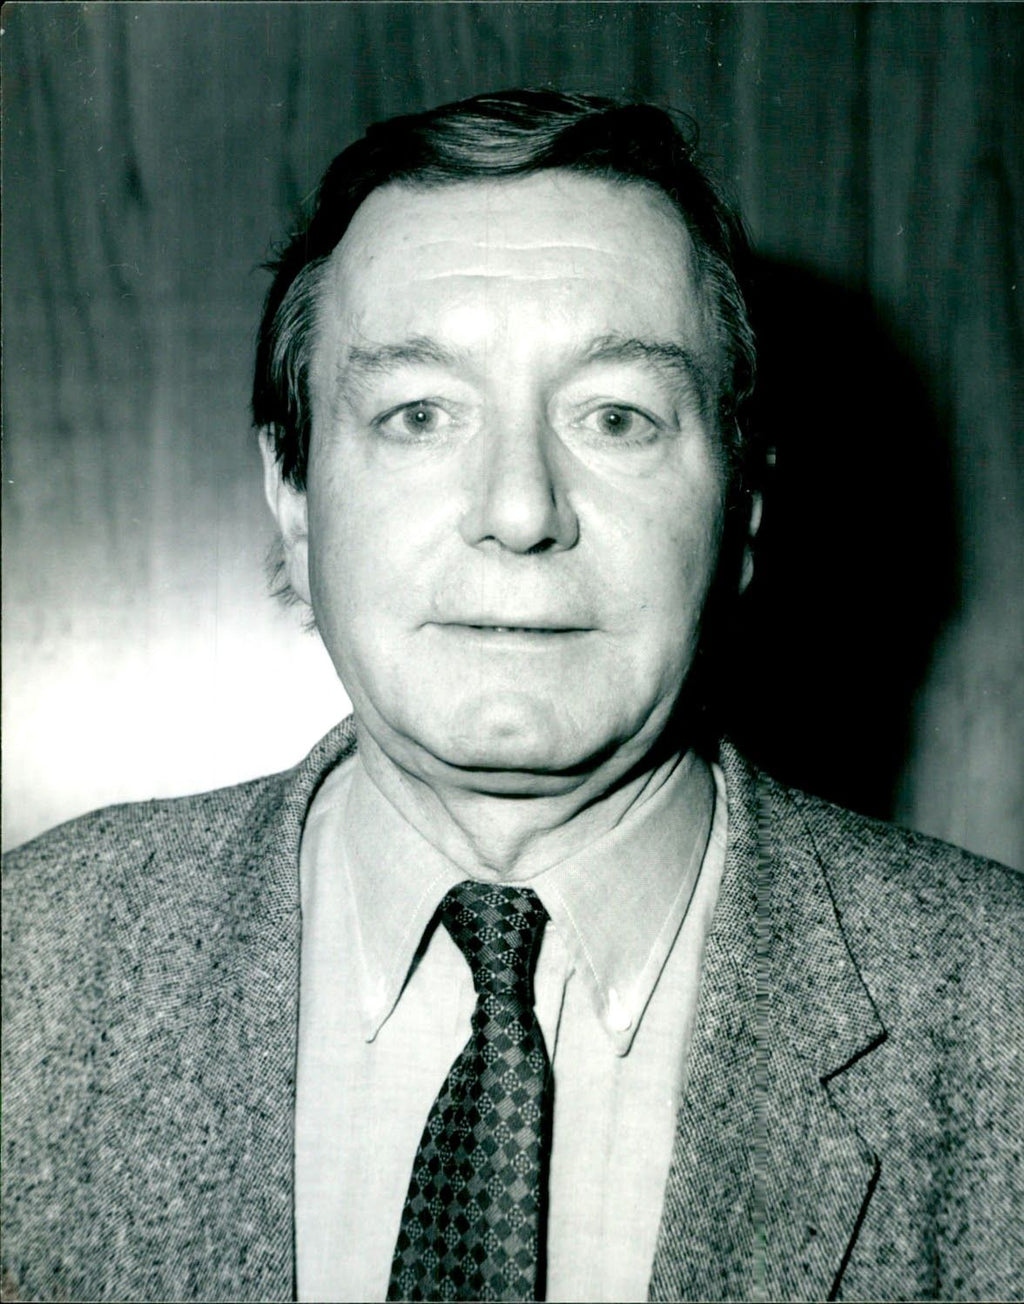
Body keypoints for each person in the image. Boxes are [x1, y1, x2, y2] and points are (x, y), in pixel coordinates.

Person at [2, 89, 1020, 1304]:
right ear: (294, 494)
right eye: (419, 415)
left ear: (740, 505)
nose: (521, 508)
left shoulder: (998, 1012)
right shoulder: (30, 964)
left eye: (617, 417)